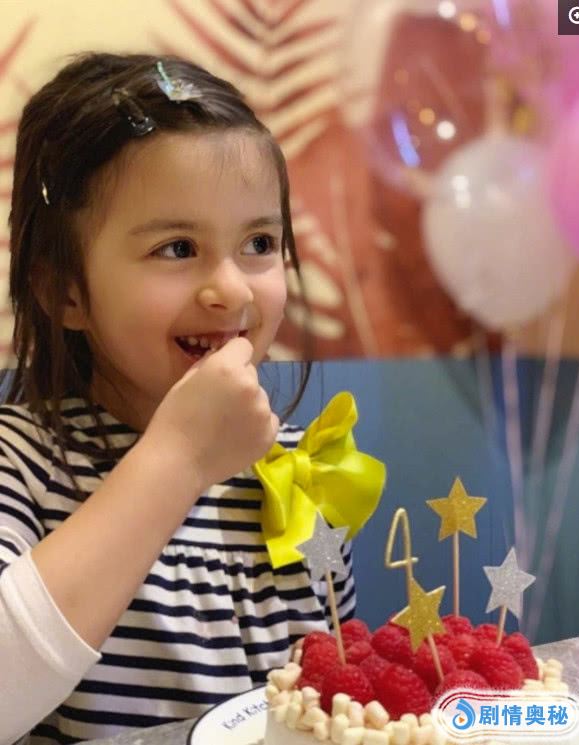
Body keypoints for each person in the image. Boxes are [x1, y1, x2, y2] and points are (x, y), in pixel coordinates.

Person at [0, 52, 355, 745]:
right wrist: (179, 457)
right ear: (64, 292)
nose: (232, 289)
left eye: (259, 242)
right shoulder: (21, 463)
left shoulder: (302, 468)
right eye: (176, 248)